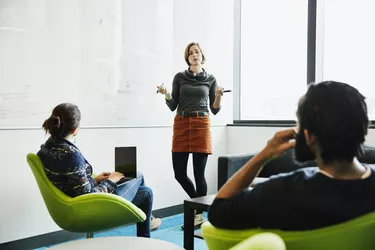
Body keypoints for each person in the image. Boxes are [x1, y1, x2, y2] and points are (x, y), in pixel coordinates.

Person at [209, 81, 375, 230]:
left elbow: (218, 210)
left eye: (299, 122)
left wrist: (263, 155)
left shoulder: (282, 192)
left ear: (309, 137)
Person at [37, 103, 161, 237]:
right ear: (75, 130)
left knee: (147, 193)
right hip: (92, 206)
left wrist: (95, 179)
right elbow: (88, 195)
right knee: (138, 175)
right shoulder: (71, 154)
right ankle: (147, 227)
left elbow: (69, 180)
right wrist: (111, 180)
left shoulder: (46, 148)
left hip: (73, 202)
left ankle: (148, 227)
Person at [157, 42, 224, 227]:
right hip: (181, 123)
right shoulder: (179, 77)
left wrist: (218, 96)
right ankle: (200, 207)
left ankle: (198, 215)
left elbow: (215, 109)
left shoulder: (210, 79)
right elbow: (173, 105)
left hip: (201, 124)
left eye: (197, 52)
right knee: (179, 173)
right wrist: (166, 94)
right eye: (191, 53)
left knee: (198, 174)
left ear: (202, 55)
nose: (194, 55)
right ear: (187, 58)